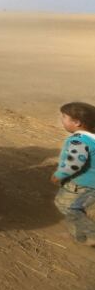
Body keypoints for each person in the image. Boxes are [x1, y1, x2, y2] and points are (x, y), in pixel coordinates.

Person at [51, 102, 95, 245]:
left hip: (82, 184)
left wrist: (59, 175)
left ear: (77, 122)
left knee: (67, 205)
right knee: (81, 206)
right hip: (91, 185)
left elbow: (74, 164)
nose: (61, 120)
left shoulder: (79, 141)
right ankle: (79, 234)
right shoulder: (92, 137)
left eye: (64, 117)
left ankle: (90, 233)